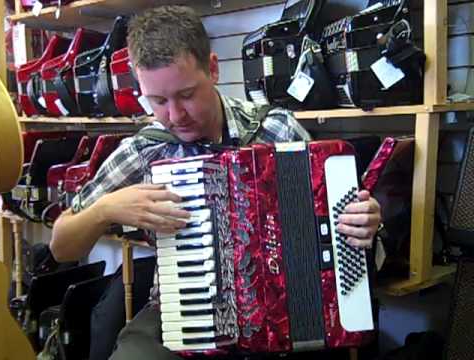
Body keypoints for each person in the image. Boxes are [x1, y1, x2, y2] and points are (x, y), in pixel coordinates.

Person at [50, 5, 382, 360]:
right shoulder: (144, 150)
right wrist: (104, 210)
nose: (175, 115)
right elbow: (61, 245)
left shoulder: (276, 130)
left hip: (287, 313)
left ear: (213, 68)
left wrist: (364, 226)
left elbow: (353, 241)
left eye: (187, 94)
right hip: (182, 313)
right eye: (158, 101)